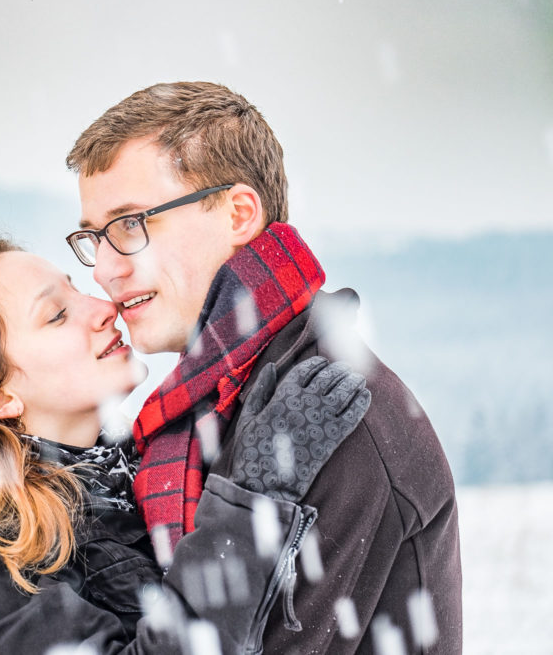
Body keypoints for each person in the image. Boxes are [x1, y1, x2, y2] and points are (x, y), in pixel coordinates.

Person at [0, 237, 372, 654]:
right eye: (56, 315)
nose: (103, 308)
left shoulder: (137, 477)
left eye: (76, 290)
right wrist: (253, 498)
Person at [64, 81, 462, 653]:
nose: (104, 269)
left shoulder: (330, 414)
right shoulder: (214, 404)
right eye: (93, 237)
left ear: (239, 213)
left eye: (130, 225)